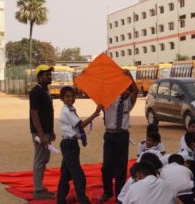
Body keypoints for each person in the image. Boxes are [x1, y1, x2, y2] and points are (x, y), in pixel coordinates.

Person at [57, 86, 101, 204]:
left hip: (70, 143)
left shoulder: (70, 109)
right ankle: (83, 200)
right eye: (67, 96)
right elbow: (80, 125)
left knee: (66, 174)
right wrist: (95, 113)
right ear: (61, 98)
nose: (71, 98)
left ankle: (60, 200)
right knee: (78, 175)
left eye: (72, 96)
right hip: (69, 144)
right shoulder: (67, 111)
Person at [99, 70, 138, 203]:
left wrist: (129, 77)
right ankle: (107, 191)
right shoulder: (108, 100)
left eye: (128, 89)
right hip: (110, 136)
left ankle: (119, 196)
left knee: (121, 167)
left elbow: (136, 91)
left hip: (122, 136)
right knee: (106, 167)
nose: (127, 92)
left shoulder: (128, 103)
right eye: (124, 89)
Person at [29, 65, 55, 199]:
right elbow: (34, 114)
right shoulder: (36, 92)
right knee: (40, 160)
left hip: (46, 132)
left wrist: (51, 132)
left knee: (44, 159)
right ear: (39, 77)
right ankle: (38, 190)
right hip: (40, 134)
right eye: (46, 75)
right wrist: (41, 134)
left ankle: (40, 187)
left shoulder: (45, 90)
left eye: (50, 74)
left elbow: (47, 113)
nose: (49, 77)